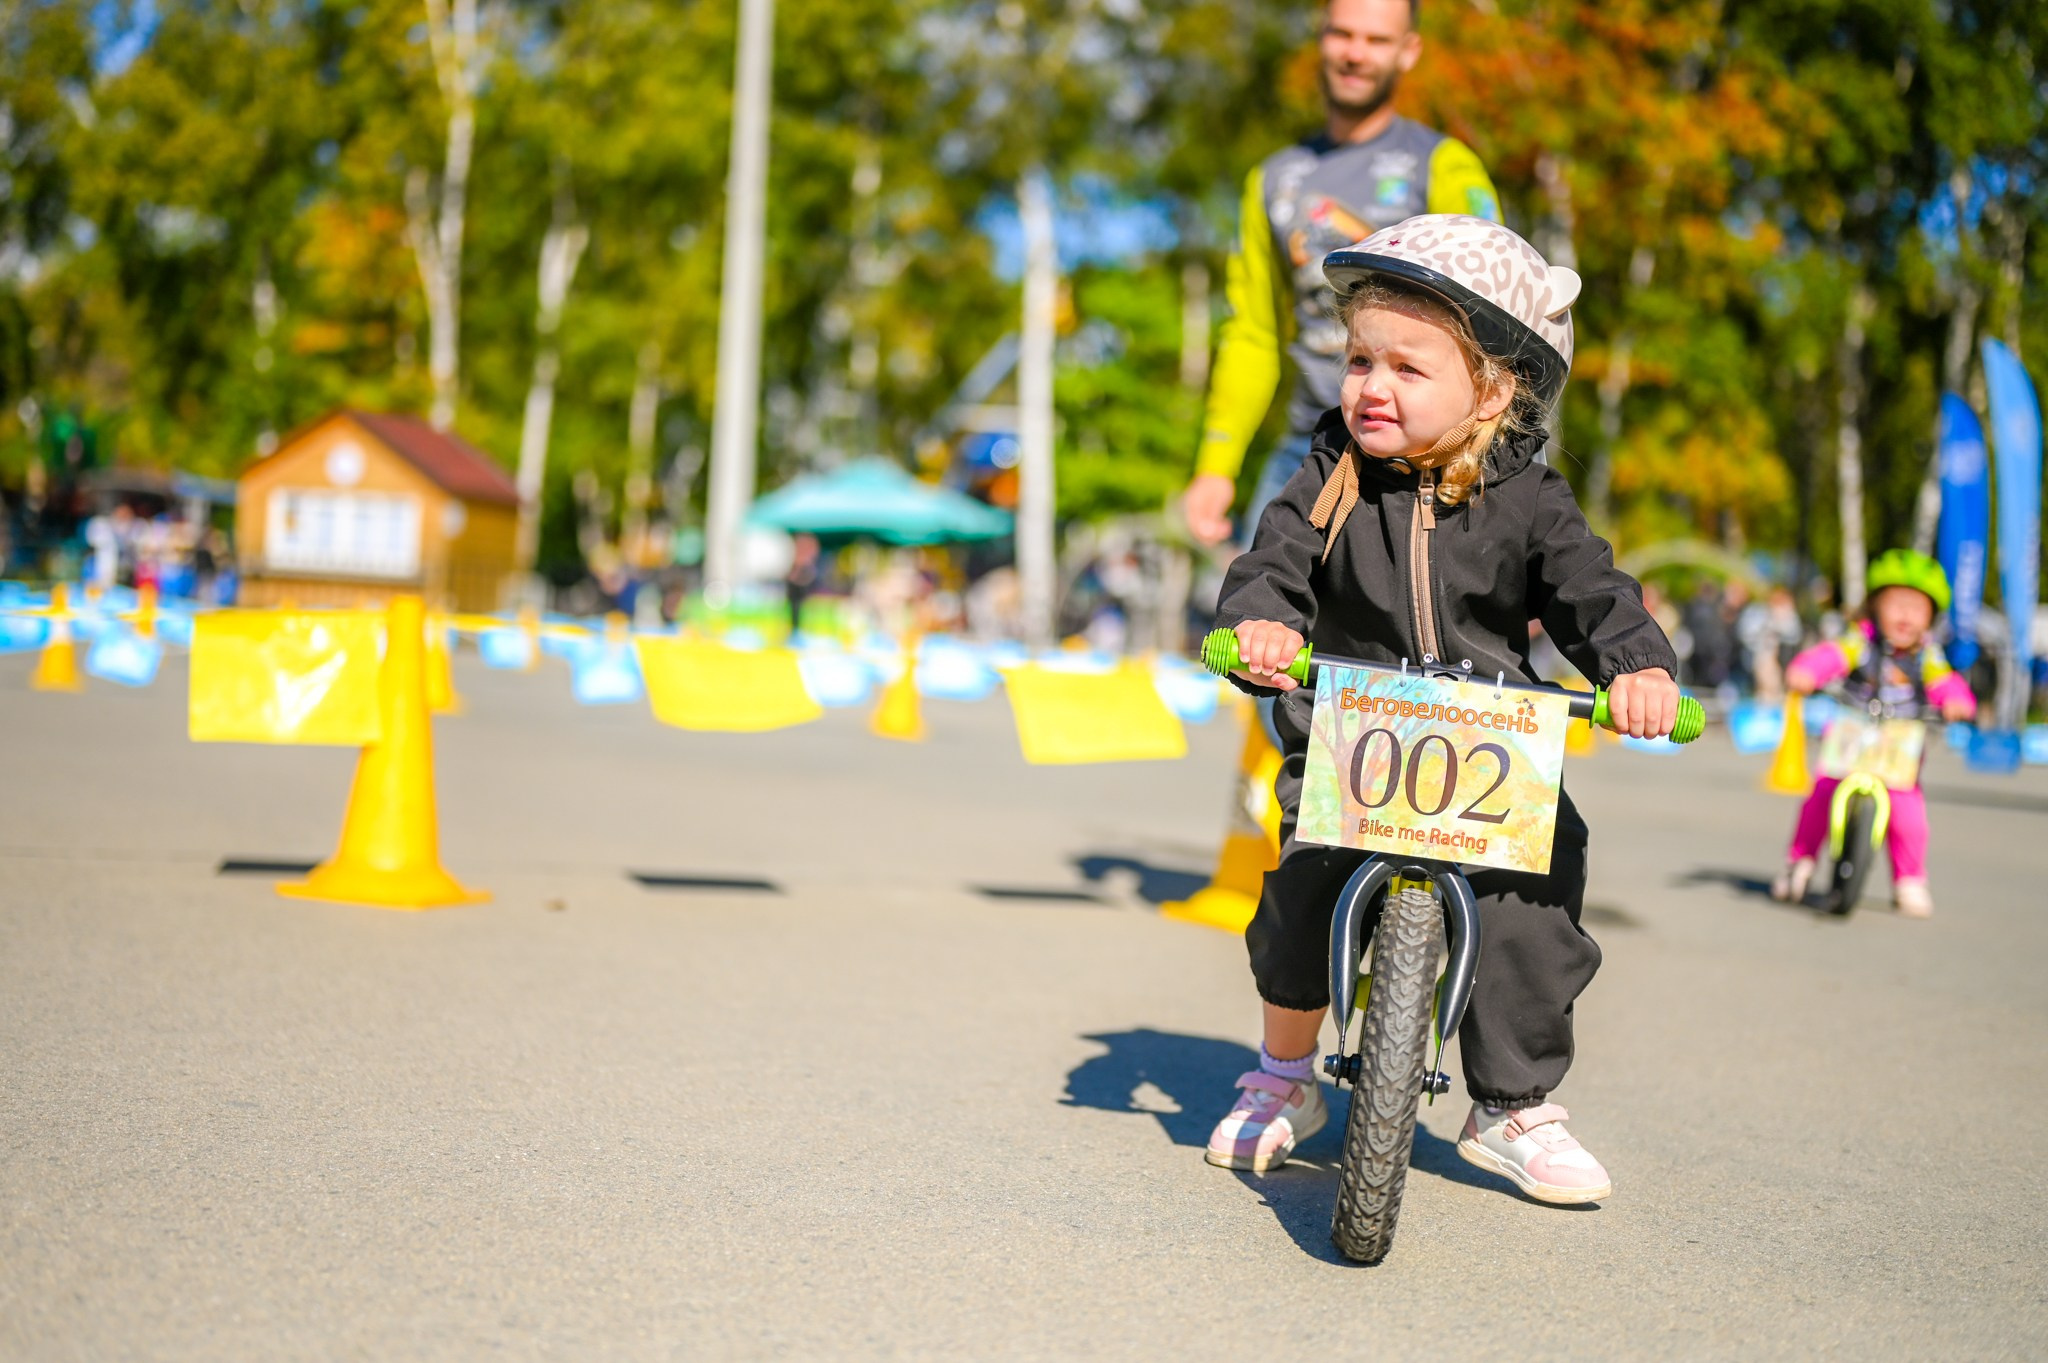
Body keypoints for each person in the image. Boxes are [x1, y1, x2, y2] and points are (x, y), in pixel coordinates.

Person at [1204, 215, 1681, 1204]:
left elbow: (1592, 592)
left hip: (1492, 745)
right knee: (1301, 882)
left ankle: (1509, 1104)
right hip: (1352, 732)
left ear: (1491, 388)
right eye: (1357, 360)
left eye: (1405, 369)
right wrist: (1260, 625)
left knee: (1534, 896)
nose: (1369, 386)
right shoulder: (1331, 472)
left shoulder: (1529, 501)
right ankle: (1282, 1075)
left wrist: (1632, 665)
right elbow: (1275, 558)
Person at [1181, 0, 1500, 549]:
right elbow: (1252, 334)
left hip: (1426, 457)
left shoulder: (1443, 167)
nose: (1356, 54)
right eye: (1343, 35)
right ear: (1321, 40)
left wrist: (1493, 472)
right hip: (1307, 446)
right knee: (1247, 619)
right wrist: (1216, 466)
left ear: (1409, 51)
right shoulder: (1273, 181)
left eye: (1377, 40)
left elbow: (1500, 322)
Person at [1770, 550, 1976, 917]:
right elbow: (1831, 656)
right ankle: (1798, 862)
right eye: (1896, 604)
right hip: (1853, 733)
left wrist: (1957, 701)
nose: (1905, 615)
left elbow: (1945, 683)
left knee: (1908, 815)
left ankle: (1909, 877)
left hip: (1899, 743)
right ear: (1874, 605)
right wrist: (1806, 671)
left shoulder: (1927, 655)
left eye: (1916, 607)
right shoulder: (1860, 641)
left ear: (1931, 616)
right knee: (1820, 798)